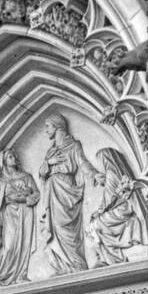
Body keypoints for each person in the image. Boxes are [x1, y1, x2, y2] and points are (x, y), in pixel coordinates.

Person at [38, 112, 99, 273]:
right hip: (52, 192)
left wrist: (95, 174)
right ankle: (61, 265)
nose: (46, 130)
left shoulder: (74, 145)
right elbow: (42, 174)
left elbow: (82, 162)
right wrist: (48, 163)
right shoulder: (50, 152)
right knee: (56, 228)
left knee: (67, 228)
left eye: (48, 126)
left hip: (67, 190)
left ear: (57, 126)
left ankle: (76, 263)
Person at [88, 147, 148, 266]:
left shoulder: (111, 174)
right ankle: (109, 257)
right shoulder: (115, 172)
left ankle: (113, 258)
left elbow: (110, 199)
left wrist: (99, 212)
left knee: (96, 224)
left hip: (124, 209)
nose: (100, 166)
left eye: (100, 161)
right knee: (96, 224)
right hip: (122, 207)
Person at [0, 149, 40, 286]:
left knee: (25, 243)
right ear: (4, 162)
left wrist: (26, 198)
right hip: (10, 214)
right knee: (9, 246)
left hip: (26, 211)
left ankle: (21, 275)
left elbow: (36, 193)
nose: (14, 158)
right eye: (10, 157)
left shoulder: (26, 177)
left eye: (14, 156)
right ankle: (3, 277)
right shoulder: (1, 182)